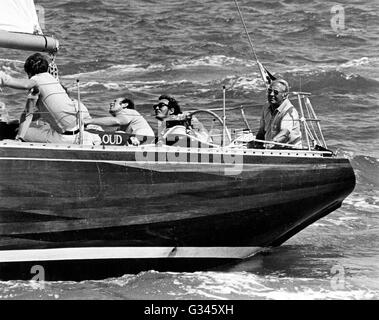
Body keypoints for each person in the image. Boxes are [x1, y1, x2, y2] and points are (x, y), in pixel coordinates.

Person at [0, 53, 101, 145]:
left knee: (17, 131)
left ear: (29, 72)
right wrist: (19, 120)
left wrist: (4, 79)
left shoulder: (36, 80)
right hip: (79, 131)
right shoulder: (52, 80)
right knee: (35, 127)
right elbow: (39, 113)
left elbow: (26, 86)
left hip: (64, 138)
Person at [253, 79, 302, 149]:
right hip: (270, 148)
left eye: (276, 92)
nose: (271, 94)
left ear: (285, 95)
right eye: (269, 91)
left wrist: (271, 143)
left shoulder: (290, 111)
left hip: (289, 150)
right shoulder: (266, 106)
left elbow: (285, 133)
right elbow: (262, 131)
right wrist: (256, 144)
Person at [85, 97, 154, 144]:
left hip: (144, 138)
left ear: (124, 105)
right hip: (142, 141)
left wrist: (89, 121)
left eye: (115, 101)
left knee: (119, 133)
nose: (111, 103)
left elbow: (117, 121)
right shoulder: (123, 124)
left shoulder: (128, 111)